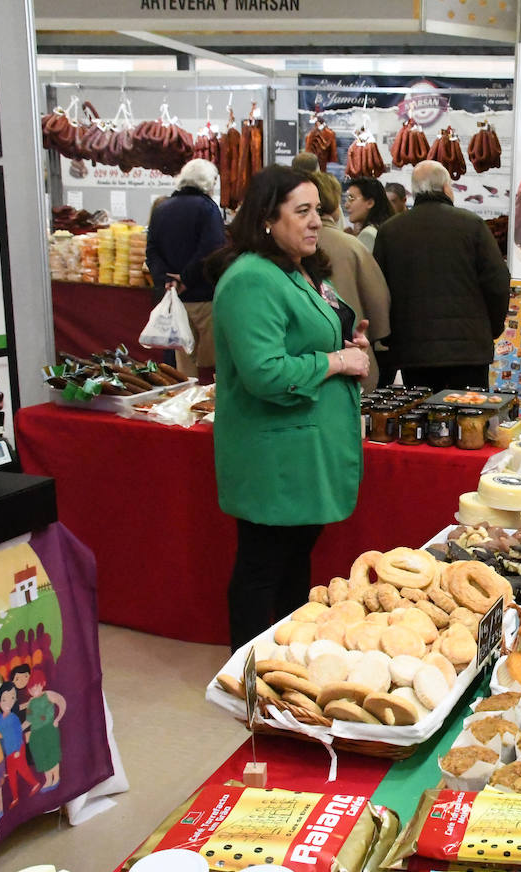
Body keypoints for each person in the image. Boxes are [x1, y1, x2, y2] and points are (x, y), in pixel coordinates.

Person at [207, 165, 371, 650]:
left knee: (293, 561)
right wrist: (337, 360)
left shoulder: (297, 268)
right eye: (302, 211)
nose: (316, 221)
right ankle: (249, 670)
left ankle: (284, 659)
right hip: (273, 459)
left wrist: (347, 341)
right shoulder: (251, 280)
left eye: (318, 210)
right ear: (266, 219)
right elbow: (265, 372)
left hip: (303, 453)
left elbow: (308, 335)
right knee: (263, 567)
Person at [373, 161, 509, 391]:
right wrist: (490, 329)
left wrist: (389, 337)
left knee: (421, 421)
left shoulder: (390, 231)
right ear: (447, 188)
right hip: (468, 351)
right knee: (469, 422)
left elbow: (379, 289)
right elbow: (498, 284)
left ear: (414, 191)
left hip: (412, 352)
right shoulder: (472, 225)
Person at [146, 158, 226, 381]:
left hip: (174, 299)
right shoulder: (208, 209)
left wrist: (167, 280)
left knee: (183, 366)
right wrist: (186, 278)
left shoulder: (161, 208)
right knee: (214, 363)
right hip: (204, 299)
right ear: (208, 182)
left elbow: (151, 250)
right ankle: (211, 409)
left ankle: (184, 409)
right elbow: (212, 250)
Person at [314, 173, 391, 394]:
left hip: (311, 367)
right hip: (353, 356)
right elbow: (379, 303)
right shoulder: (350, 245)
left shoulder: (274, 254)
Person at [344, 176, 395, 251]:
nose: (346, 205)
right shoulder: (383, 228)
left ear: (370, 203)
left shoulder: (368, 234)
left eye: (351, 199)